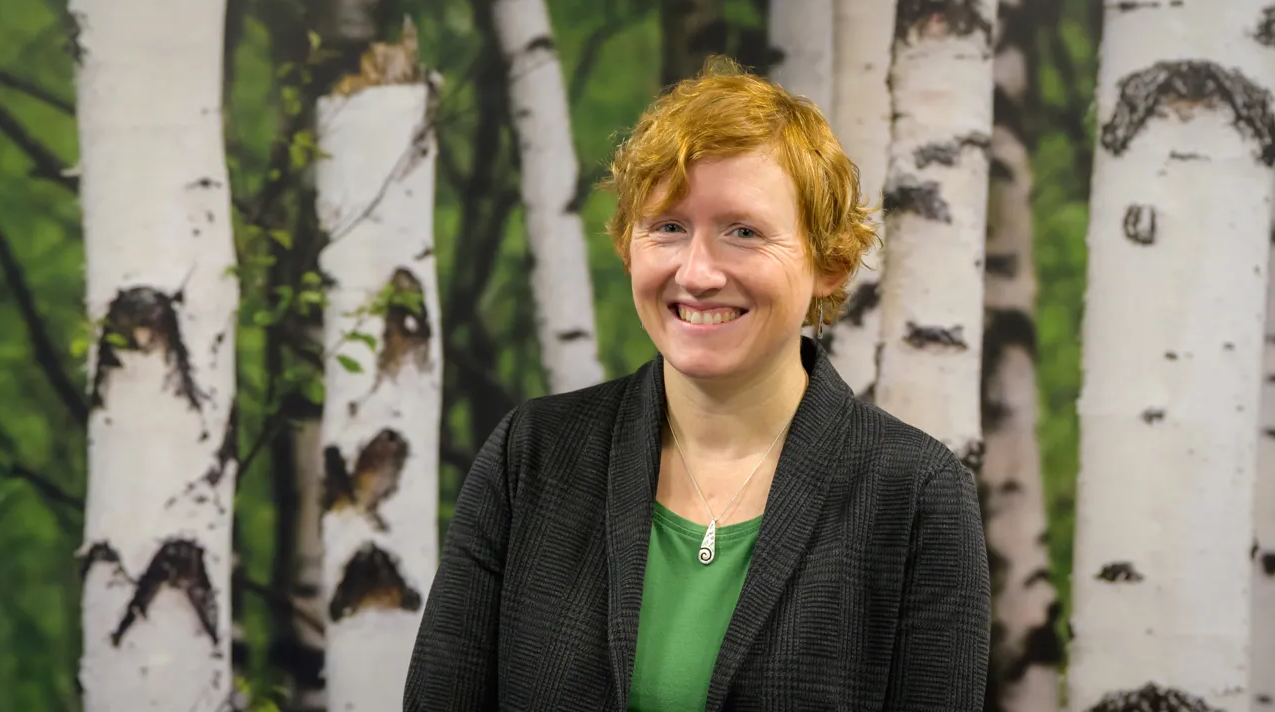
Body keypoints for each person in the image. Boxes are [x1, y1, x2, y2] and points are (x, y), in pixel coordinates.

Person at [403, 56, 991, 711]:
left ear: (831, 262)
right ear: (629, 244)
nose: (698, 272)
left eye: (742, 231)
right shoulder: (532, 455)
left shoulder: (916, 496)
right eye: (669, 228)